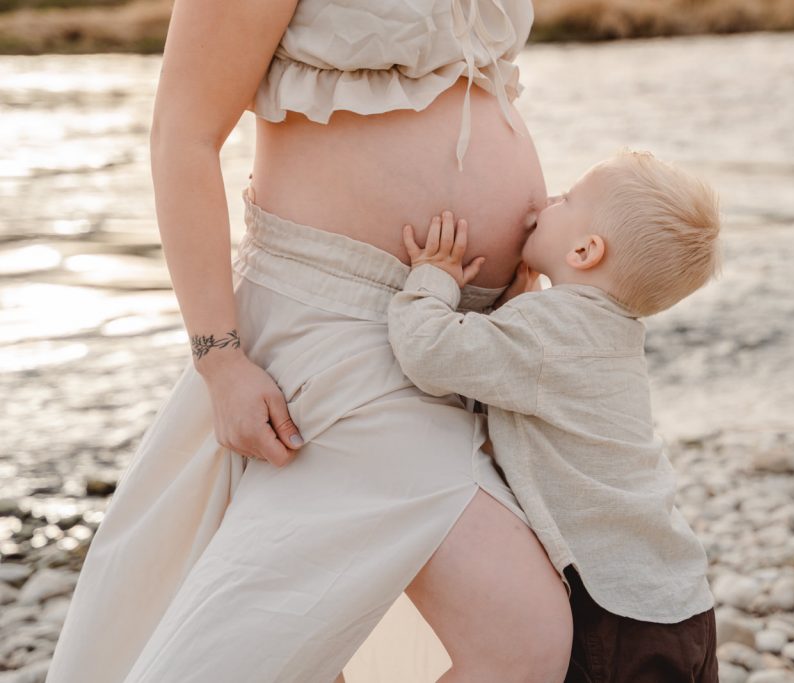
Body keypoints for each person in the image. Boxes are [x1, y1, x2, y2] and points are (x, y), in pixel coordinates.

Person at [45, 0, 574, 682]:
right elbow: (182, 133)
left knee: (339, 652)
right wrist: (220, 358)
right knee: (520, 638)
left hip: (464, 341)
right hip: (343, 331)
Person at [387, 148, 723, 682]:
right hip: (679, 602)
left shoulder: (551, 331)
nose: (545, 201)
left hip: (613, 610)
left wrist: (432, 279)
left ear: (587, 250)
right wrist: (518, 306)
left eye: (566, 199)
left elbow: (430, 352)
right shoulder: (606, 330)